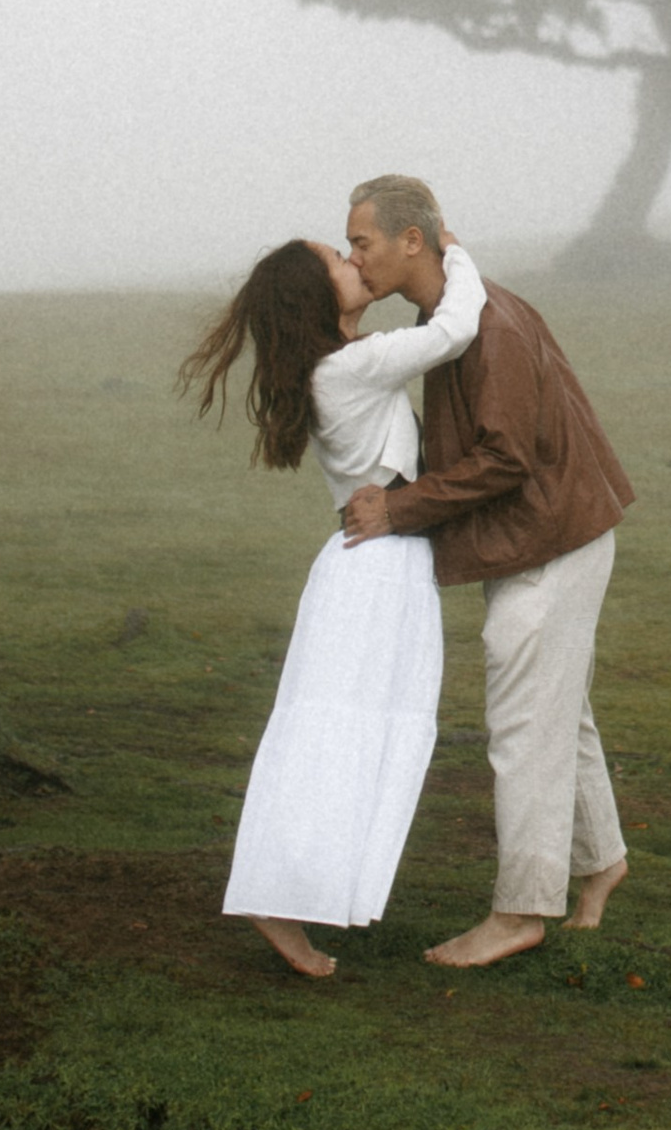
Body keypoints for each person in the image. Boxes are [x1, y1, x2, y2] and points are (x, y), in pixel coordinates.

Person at [339, 173, 633, 971]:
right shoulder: (457, 311)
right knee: (556, 712)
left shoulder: (487, 327)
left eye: (361, 242)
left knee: (522, 725)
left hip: (553, 539)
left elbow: (507, 458)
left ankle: (520, 912)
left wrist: (397, 512)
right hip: (545, 534)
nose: (352, 258)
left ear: (412, 242)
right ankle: (600, 862)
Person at [180, 222, 487, 979]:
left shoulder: (340, 365)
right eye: (339, 261)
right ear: (316, 298)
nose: (355, 262)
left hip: (375, 567)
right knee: (342, 734)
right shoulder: (350, 368)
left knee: (347, 733)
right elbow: (455, 328)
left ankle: (290, 891)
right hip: (374, 574)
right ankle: (279, 894)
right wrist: (456, 253)